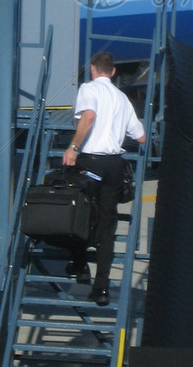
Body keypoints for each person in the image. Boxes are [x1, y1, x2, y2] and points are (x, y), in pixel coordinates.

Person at [62, 52, 145, 305]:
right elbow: (140, 136)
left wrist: (73, 148)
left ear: (92, 70)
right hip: (114, 166)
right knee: (107, 226)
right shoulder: (122, 98)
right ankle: (102, 289)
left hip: (90, 162)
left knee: (76, 212)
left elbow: (88, 116)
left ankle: (79, 264)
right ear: (113, 72)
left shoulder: (89, 89)